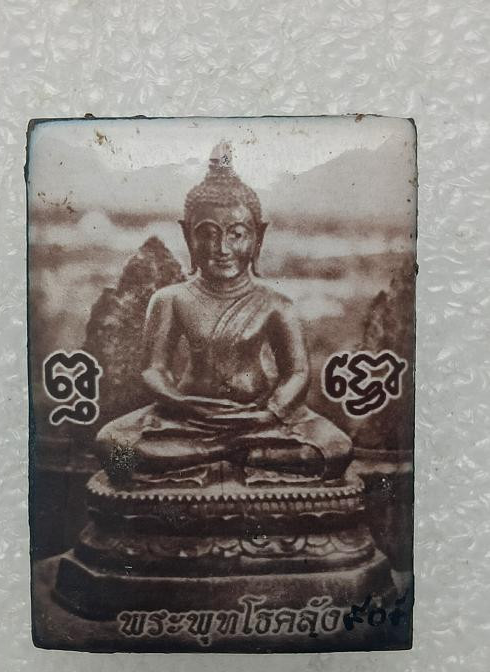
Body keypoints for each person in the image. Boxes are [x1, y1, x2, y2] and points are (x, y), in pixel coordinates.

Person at [96, 142, 352, 484]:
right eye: (208, 234)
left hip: (259, 417)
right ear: (187, 235)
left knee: (337, 447)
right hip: (188, 418)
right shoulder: (170, 299)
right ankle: (231, 453)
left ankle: (210, 455)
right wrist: (185, 404)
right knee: (112, 445)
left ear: (258, 236)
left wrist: (270, 412)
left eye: (237, 234)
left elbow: (298, 372)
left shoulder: (276, 304)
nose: (222, 249)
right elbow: (153, 369)